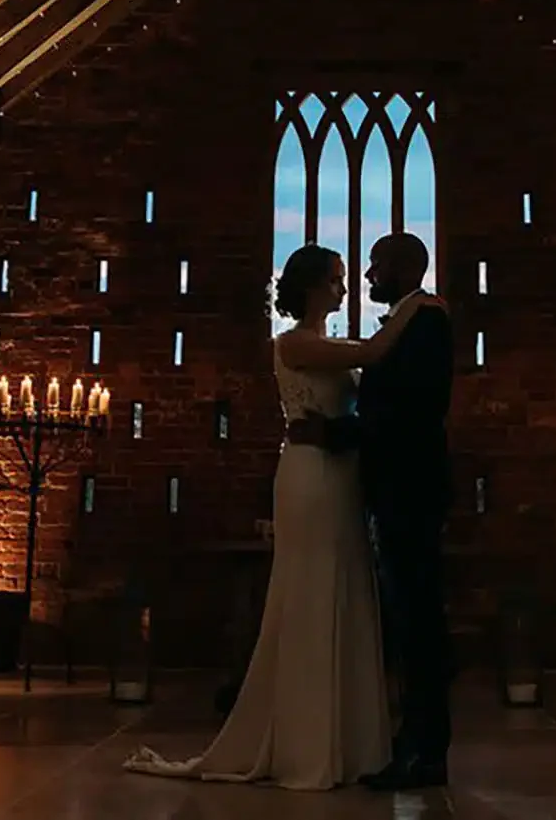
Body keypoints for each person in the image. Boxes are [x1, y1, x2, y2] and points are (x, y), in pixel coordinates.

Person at [122, 243, 445, 790]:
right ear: (316, 286)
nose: (348, 286)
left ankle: (344, 738)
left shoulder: (325, 343)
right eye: (339, 278)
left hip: (340, 477)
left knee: (344, 590)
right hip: (312, 476)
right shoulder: (293, 342)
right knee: (310, 591)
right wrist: (416, 308)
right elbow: (372, 355)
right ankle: (306, 740)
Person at [294, 231, 455, 791]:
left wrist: (335, 432)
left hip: (409, 489)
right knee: (408, 619)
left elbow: (411, 411)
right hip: (395, 488)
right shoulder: (405, 321)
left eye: (376, 265)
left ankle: (425, 751)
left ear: (407, 266)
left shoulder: (426, 321)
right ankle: (414, 744)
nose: (367, 277)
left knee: (418, 621)